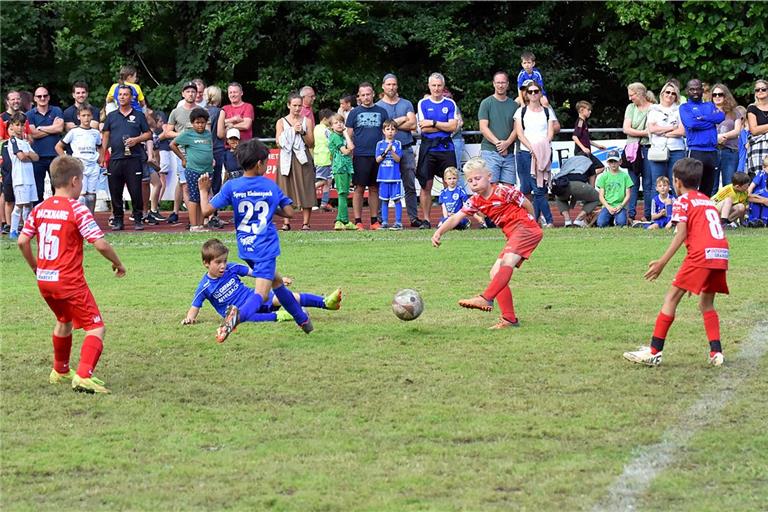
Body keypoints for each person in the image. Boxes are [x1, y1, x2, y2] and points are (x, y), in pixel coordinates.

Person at [17, 155, 126, 393]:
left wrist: (36, 267)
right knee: (96, 327)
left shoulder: (39, 209)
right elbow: (100, 244)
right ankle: (84, 376)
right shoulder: (77, 209)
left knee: (64, 320)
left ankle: (60, 370)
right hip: (69, 280)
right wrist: (118, 263)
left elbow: (23, 241)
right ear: (75, 181)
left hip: (45, 281)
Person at [197, 138, 314, 341]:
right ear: (259, 163)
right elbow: (289, 212)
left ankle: (303, 320)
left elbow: (206, 210)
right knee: (261, 294)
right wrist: (271, 207)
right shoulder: (269, 185)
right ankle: (236, 317)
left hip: (246, 248)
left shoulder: (231, 186)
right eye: (266, 162)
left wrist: (203, 190)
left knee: (277, 283)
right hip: (266, 247)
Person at [623, 158, 729, 367]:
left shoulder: (682, 201)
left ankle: (654, 352)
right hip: (720, 252)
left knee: (671, 298)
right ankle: (716, 352)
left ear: (677, 182)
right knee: (706, 303)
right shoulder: (706, 200)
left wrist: (662, 262)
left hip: (701, 255)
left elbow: (681, 234)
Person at [432, 157, 542, 329]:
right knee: (495, 272)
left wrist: (531, 222)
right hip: (515, 234)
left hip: (526, 228)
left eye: (477, 178)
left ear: (489, 176)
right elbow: (456, 217)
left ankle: (487, 298)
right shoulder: (475, 200)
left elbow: (527, 204)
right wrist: (439, 232)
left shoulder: (504, 191)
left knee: (507, 263)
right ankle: (509, 319)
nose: (474, 183)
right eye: (470, 180)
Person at [182, 239, 342, 334]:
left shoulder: (232, 268)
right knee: (244, 319)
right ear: (206, 263)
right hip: (238, 312)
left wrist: (277, 279)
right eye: (218, 263)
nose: (223, 266)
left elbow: (257, 272)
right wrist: (190, 318)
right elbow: (195, 305)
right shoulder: (205, 286)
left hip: (256, 298)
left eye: (224, 261)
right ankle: (284, 316)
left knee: (283, 297)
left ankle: (325, 302)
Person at [100, 84, 152, 231]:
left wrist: (136, 139)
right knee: (115, 191)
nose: (122, 97)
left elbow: (148, 134)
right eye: (120, 94)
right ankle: (118, 219)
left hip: (134, 158)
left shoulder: (139, 115)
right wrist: (103, 154)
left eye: (125, 94)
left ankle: (137, 218)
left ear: (131, 97)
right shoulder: (111, 116)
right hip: (115, 159)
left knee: (136, 191)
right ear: (117, 97)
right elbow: (105, 135)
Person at [376, 73, 419, 227]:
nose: (391, 87)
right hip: (386, 153)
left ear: (397, 86)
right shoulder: (378, 106)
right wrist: (401, 120)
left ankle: (413, 218)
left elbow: (413, 125)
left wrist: (391, 125)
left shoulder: (406, 103)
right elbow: (380, 128)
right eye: (388, 84)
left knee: (409, 185)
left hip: (406, 148)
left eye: (394, 84)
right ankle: (382, 219)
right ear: (383, 86)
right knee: (384, 185)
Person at [416, 73, 458, 229]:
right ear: (429, 86)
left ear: (443, 86)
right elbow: (423, 127)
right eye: (433, 85)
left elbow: (452, 127)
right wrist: (443, 125)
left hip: (446, 148)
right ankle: (426, 220)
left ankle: (450, 219)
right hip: (429, 148)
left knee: (450, 183)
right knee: (425, 184)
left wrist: (433, 122)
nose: (436, 88)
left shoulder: (450, 104)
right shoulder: (423, 103)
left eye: (439, 85)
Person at [346, 82, 389, 230]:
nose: (366, 97)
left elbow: (388, 132)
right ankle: (358, 220)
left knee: (374, 188)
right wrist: (346, 151)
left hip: (377, 155)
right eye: (363, 95)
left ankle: (374, 221)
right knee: (359, 188)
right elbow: (348, 135)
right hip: (360, 155)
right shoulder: (354, 113)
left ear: (373, 94)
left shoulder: (382, 112)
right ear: (359, 96)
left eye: (368, 94)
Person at [514, 80, 556, 227]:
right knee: (526, 188)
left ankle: (548, 220)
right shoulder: (521, 111)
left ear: (540, 93)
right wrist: (531, 148)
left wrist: (541, 147)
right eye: (530, 91)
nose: (533, 94)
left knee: (539, 189)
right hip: (525, 153)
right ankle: (534, 218)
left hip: (543, 153)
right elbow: (519, 133)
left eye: (536, 91)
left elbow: (551, 132)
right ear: (526, 94)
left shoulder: (547, 111)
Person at [275, 92, 315, 231]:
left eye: (299, 105)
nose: (297, 108)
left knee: (306, 187)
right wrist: (291, 131)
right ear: (288, 105)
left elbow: (311, 143)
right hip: (287, 157)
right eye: (294, 105)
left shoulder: (307, 121)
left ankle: (306, 222)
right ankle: (286, 222)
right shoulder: (281, 122)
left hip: (302, 157)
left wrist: (302, 132)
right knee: (285, 188)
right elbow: (278, 143)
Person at [170, 107, 212, 232]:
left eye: (202, 122)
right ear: (192, 123)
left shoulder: (208, 134)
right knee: (194, 197)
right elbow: (172, 144)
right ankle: (194, 225)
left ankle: (200, 224)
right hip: (193, 170)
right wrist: (183, 159)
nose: (200, 125)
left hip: (207, 170)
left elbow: (210, 148)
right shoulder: (188, 134)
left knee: (203, 197)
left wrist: (212, 159)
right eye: (197, 122)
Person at [680, 78, 724, 196]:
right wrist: (710, 120)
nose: (695, 92)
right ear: (687, 91)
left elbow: (720, 117)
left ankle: (703, 212)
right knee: (692, 186)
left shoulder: (709, 105)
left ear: (702, 90)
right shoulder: (684, 107)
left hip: (712, 151)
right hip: (696, 151)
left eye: (698, 89)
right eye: (692, 89)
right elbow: (691, 124)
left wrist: (702, 118)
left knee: (708, 187)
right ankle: (691, 212)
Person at [163, 82, 199, 225]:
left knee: (199, 185)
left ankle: (200, 217)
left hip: (198, 152)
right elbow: (168, 132)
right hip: (182, 153)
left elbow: (207, 131)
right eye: (188, 91)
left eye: (193, 91)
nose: (190, 94)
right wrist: (182, 134)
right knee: (185, 185)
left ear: (197, 94)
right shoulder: (176, 112)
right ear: (183, 94)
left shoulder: (201, 110)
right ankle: (192, 220)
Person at [55, 106, 102, 213]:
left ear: (92, 117)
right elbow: (58, 147)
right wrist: (69, 161)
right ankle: (80, 217)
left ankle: (90, 218)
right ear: (78, 117)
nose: (86, 118)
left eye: (88, 115)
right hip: (80, 167)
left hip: (93, 166)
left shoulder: (95, 133)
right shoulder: (74, 132)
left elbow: (100, 146)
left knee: (91, 195)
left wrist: (101, 159)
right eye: (83, 115)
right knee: (81, 195)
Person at [478, 71, 519, 186]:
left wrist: (507, 143)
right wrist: (499, 144)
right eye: (498, 82)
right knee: (491, 188)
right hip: (490, 152)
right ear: (493, 84)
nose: (500, 85)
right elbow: (483, 127)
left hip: (509, 153)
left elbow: (517, 129)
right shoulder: (486, 103)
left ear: (507, 84)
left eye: (503, 82)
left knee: (509, 190)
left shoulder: (514, 105)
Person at [622, 82, 654, 222]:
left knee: (648, 183)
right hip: (633, 149)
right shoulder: (630, 107)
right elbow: (626, 129)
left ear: (640, 94)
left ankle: (647, 215)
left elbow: (652, 129)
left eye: (632, 95)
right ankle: (631, 215)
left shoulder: (653, 108)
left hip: (648, 148)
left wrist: (638, 133)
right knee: (633, 183)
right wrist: (644, 133)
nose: (630, 98)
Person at [647, 81, 686, 195]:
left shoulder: (680, 110)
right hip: (658, 149)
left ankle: (678, 211)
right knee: (658, 183)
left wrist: (663, 132)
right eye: (667, 92)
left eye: (673, 93)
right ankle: (656, 212)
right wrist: (671, 127)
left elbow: (682, 131)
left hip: (676, 150)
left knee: (676, 183)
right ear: (662, 93)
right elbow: (652, 129)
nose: (670, 95)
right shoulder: (654, 109)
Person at [26, 86, 64, 204]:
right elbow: (34, 134)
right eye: (39, 96)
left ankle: (57, 213)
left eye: (45, 95)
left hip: (55, 156)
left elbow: (60, 128)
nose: (42, 98)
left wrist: (41, 127)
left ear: (49, 97)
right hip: (37, 157)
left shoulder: (57, 110)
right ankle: (39, 217)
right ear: (35, 99)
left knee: (58, 188)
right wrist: (52, 127)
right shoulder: (29, 114)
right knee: (38, 190)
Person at [7, 114, 39, 239]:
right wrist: (28, 155)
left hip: (29, 177)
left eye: (22, 125)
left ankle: (27, 229)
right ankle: (13, 231)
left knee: (28, 205)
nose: (20, 128)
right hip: (20, 178)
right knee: (20, 205)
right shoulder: (13, 141)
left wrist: (28, 154)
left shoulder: (25, 142)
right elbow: (21, 157)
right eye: (17, 125)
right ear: (12, 126)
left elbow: (36, 157)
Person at [550, 155, 600, 227]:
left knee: (560, 198)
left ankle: (567, 220)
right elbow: (592, 185)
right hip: (578, 184)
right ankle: (579, 219)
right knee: (596, 197)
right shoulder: (589, 162)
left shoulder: (569, 160)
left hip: (562, 185)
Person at [711, 84, 743, 195]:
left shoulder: (734, 112)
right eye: (714, 94)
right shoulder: (708, 111)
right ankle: (710, 211)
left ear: (726, 95)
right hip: (712, 151)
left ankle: (728, 212)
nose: (717, 96)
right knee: (711, 185)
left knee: (728, 186)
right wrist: (716, 138)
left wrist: (723, 136)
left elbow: (737, 130)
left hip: (729, 151)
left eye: (720, 94)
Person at [328, 114, 356, 230]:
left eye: (341, 122)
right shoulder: (335, 137)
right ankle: (342, 220)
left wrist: (345, 135)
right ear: (331, 127)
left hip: (346, 167)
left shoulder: (342, 136)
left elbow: (351, 148)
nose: (339, 124)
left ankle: (342, 220)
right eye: (336, 123)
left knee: (344, 194)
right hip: (340, 168)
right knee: (342, 194)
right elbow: (346, 150)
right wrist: (345, 134)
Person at [375, 119, 404, 230]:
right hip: (383, 177)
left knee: (397, 199)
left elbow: (397, 159)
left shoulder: (398, 144)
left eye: (392, 129)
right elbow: (378, 160)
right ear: (383, 131)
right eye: (388, 129)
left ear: (396, 131)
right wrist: (386, 151)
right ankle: (385, 222)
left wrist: (392, 151)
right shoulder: (379, 144)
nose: (390, 132)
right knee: (384, 200)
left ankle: (398, 222)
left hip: (395, 177)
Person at [595, 149, 633, 227]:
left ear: (620, 162)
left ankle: (621, 219)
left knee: (621, 223)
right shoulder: (604, 176)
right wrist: (608, 207)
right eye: (611, 161)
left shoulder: (625, 176)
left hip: (620, 206)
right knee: (601, 223)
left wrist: (621, 206)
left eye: (615, 161)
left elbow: (628, 195)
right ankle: (611, 219)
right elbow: (601, 196)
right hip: (607, 205)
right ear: (608, 163)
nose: (613, 164)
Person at [572, 100, 606, 184]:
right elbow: (575, 136)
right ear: (581, 110)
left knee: (598, 168)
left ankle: (587, 180)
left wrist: (597, 146)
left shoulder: (584, 122)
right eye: (588, 110)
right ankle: (586, 179)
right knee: (600, 167)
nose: (590, 112)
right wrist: (583, 148)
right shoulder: (580, 122)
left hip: (585, 152)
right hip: (582, 153)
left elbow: (586, 139)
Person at [313, 108, 334, 212]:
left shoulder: (316, 128)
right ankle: (308, 193)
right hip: (325, 158)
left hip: (319, 157)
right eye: (330, 120)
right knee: (323, 181)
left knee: (328, 181)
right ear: (325, 119)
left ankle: (324, 203)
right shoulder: (326, 130)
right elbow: (331, 142)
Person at [746, 79, 768, 176]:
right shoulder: (752, 108)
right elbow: (754, 130)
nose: (760, 91)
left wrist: (762, 128)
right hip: (758, 147)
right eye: (757, 90)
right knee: (758, 178)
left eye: (763, 89)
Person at [745, 156, 768, 227]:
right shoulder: (761, 174)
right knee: (763, 197)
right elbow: (750, 188)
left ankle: (764, 221)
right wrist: (748, 198)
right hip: (758, 197)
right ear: (764, 167)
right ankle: (754, 220)